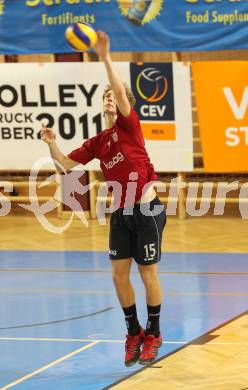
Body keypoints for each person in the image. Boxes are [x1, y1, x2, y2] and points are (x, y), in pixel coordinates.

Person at [41, 31, 166, 366]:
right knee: (118, 275)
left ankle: (154, 333)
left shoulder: (129, 126)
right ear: (101, 106)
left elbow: (121, 91)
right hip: (121, 211)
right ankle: (134, 332)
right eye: (107, 97)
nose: (111, 99)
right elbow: (65, 165)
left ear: (123, 103)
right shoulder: (99, 142)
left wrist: (105, 57)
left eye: (115, 96)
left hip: (147, 208)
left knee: (147, 274)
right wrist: (50, 143)